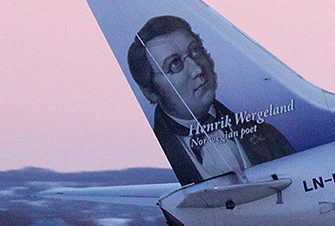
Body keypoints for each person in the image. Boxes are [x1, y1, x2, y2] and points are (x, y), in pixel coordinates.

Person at [126, 15, 295, 185]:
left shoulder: (267, 135)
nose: (197, 69)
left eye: (195, 51)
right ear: (150, 92)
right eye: (175, 64)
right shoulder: (156, 157)